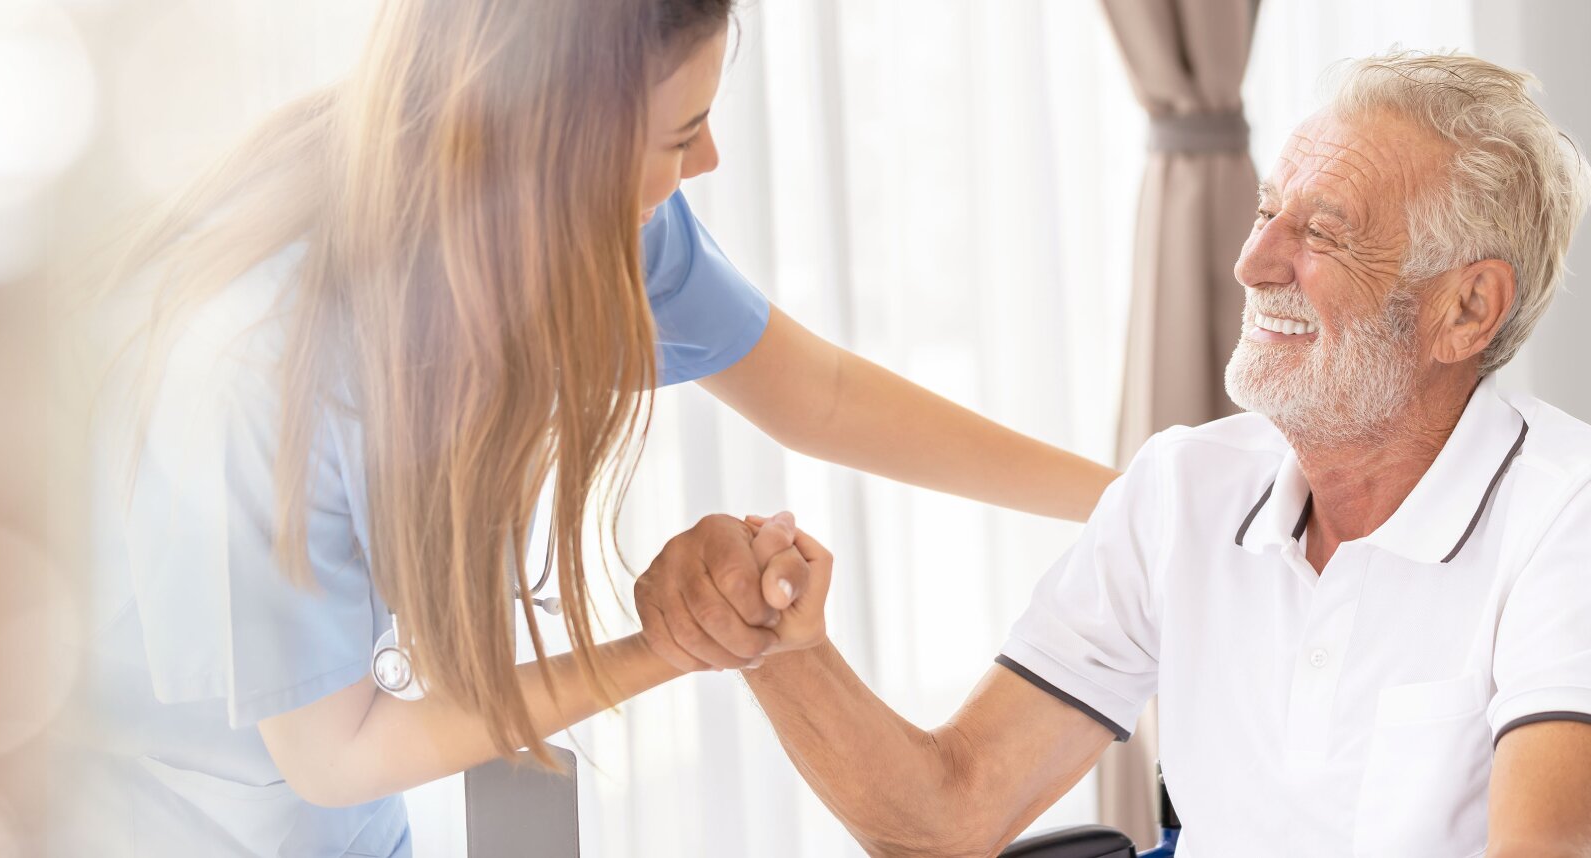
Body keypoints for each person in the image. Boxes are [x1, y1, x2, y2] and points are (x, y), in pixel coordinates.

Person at [74, 0, 1116, 855]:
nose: (705, 161)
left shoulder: (599, 231)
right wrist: (671, 645)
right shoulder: (265, 364)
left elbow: (824, 397)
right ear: (546, 140)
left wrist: (1140, 497)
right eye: (676, 134)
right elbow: (336, 751)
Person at [642, 51, 1591, 855]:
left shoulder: (1565, 517)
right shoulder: (1183, 488)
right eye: (1269, 212)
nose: (1253, 262)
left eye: (1323, 234)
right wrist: (779, 645)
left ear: (1465, 310)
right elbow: (949, 811)